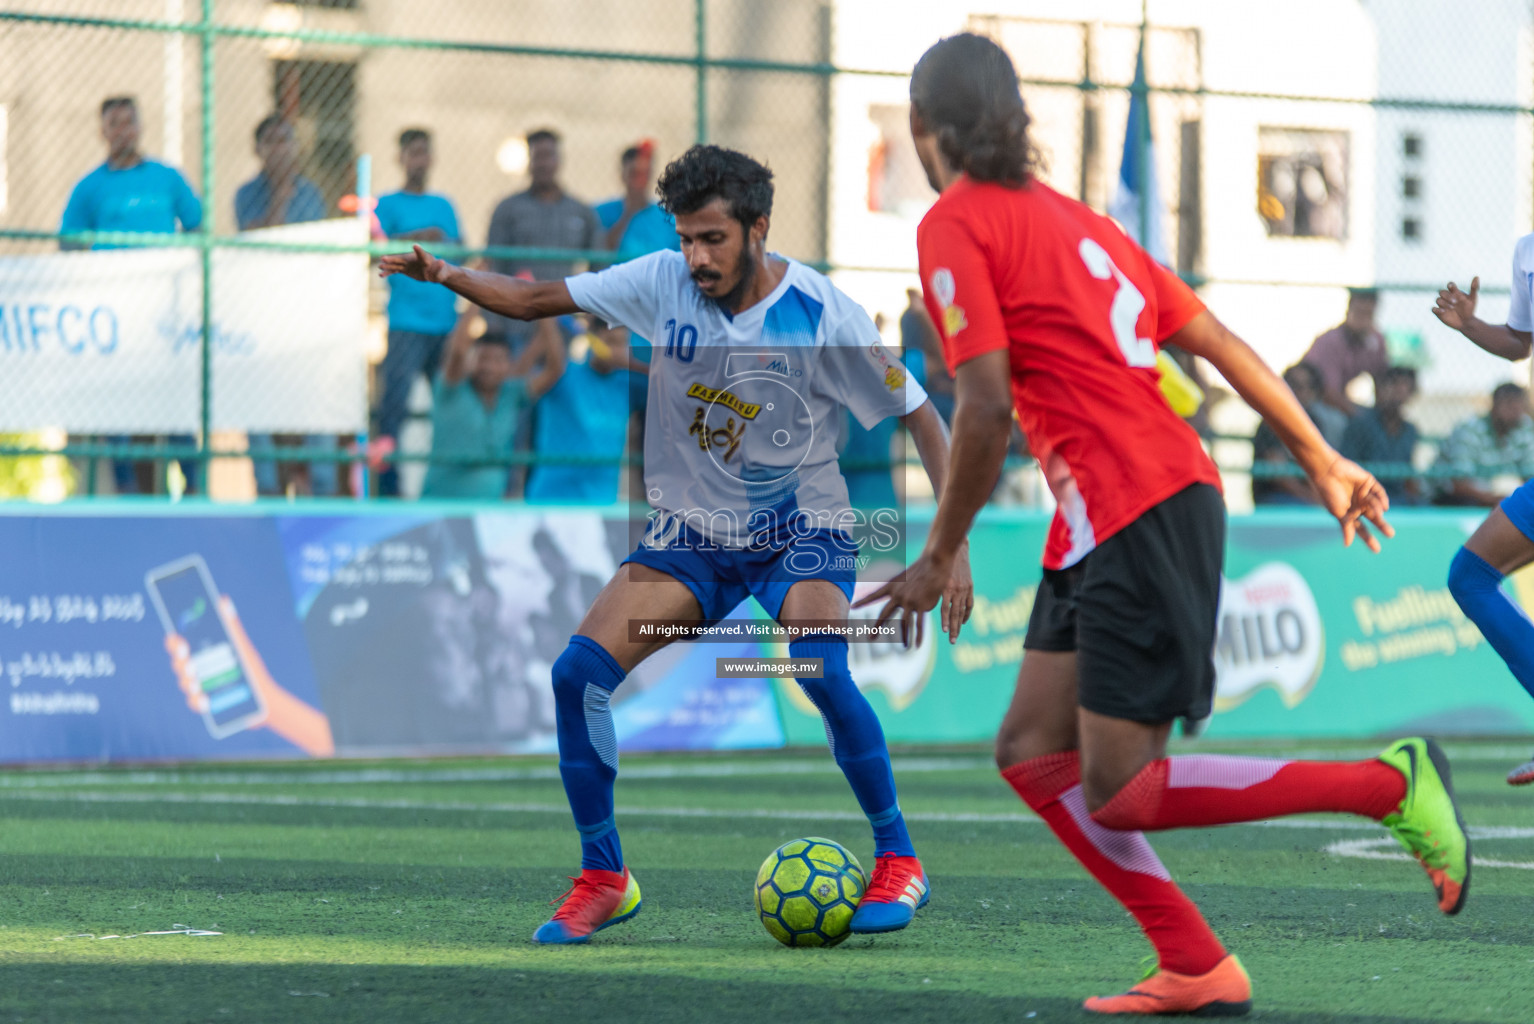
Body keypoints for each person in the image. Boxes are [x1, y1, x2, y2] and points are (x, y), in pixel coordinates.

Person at [859, 33, 1469, 1017]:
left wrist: (939, 552)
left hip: (1133, 499)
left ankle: (1386, 787)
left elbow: (981, 405)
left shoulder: (954, 223)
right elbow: (1219, 342)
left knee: (1122, 786)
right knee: (1029, 749)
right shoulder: (1076, 221)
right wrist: (1320, 458)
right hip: (1109, 505)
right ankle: (1194, 963)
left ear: (924, 130)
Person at [382, 143, 974, 944]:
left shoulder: (822, 312)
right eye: (687, 238)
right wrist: (446, 275)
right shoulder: (661, 279)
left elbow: (923, 417)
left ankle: (900, 858)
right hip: (694, 535)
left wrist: (951, 547)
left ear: (758, 229)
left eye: (713, 240)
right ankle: (604, 875)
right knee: (577, 676)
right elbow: (532, 301)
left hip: (802, 528)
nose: (695, 257)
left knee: (819, 667)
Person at [61, 96, 203, 496]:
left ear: (140, 127)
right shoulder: (90, 187)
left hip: (164, 316)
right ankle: (128, 494)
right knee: (119, 412)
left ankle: (193, 488)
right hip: (116, 322)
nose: (122, 131)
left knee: (174, 408)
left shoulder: (167, 178)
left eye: (129, 122)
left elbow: (196, 226)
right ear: (102, 131)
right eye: (114, 124)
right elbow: (68, 242)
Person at [1433, 265, 1534, 784]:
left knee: (1470, 578)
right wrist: (1472, 326)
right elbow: (1521, 343)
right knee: (1470, 575)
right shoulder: (1527, 253)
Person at [484, 128, 603, 494]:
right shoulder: (508, 209)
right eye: (537, 156)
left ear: (559, 159)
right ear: (529, 161)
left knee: (558, 419)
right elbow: (492, 269)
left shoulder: (581, 212)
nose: (544, 162)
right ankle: (511, 493)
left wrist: (590, 323)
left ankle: (549, 494)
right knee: (517, 417)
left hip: (564, 338)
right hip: (517, 334)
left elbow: (599, 270)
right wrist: (496, 332)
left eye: (549, 155)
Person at [236, 114, 333, 496]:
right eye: (272, 142)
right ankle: (269, 490)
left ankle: (320, 489)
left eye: (286, 141)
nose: (281, 149)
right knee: (260, 412)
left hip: (305, 321)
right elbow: (261, 242)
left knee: (313, 410)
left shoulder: (313, 195)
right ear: (258, 150)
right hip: (260, 321)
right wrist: (279, 195)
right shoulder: (246, 194)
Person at [372, 128, 463, 497]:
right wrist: (419, 235)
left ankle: (443, 487)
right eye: (412, 152)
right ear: (400, 157)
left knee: (449, 408)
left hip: (444, 322)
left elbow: (460, 253)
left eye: (425, 152)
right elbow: (375, 253)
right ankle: (388, 492)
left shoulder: (445, 204)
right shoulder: (386, 203)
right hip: (406, 322)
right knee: (393, 410)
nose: (419, 160)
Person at [420, 307, 563, 500]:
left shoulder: (510, 394)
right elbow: (458, 350)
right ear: (471, 361)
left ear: (508, 365)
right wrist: (477, 298)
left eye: (498, 360)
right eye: (482, 359)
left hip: (488, 514)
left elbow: (554, 369)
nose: (489, 367)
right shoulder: (451, 389)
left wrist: (544, 312)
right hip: (441, 508)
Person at [1431, 382, 1534, 507]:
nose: (1515, 411)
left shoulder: (1524, 427)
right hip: (1450, 499)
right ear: (1494, 405)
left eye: (1519, 406)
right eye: (1509, 404)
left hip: (1498, 499)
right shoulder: (1470, 430)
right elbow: (1457, 484)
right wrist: (1495, 499)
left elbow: (1529, 476)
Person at [1340, 365, 1422, 506]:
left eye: (1404, 387)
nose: (1398, 392)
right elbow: (1347, 469)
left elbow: (1409, 476)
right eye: (1393, 384)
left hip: (1398, 499)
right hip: (1364, 497)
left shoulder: (1410, 431)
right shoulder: (1361, 424)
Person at [1250, 363, 1330, 506]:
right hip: (1276, 497)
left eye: (1303, 387)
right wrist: (1314, 501)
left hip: (1306, 498)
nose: (1296, 392)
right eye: (1291, 384)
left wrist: (1320, 500)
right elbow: (1279, 476)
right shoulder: (1271, 421)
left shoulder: (1315, 421)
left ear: (1313, 393)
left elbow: (1317, 468)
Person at [1302, 287, 1389, 415]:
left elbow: (1382, 382)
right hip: (1311, 401)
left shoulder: (1376, 341)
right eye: (1359, 313)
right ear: (1348, 311)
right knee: (1336, 422)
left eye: (1368, 314)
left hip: (1341, 402)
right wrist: (1359, 416)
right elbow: (1328, 393)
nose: (1363, 320)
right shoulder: (1331, 342)